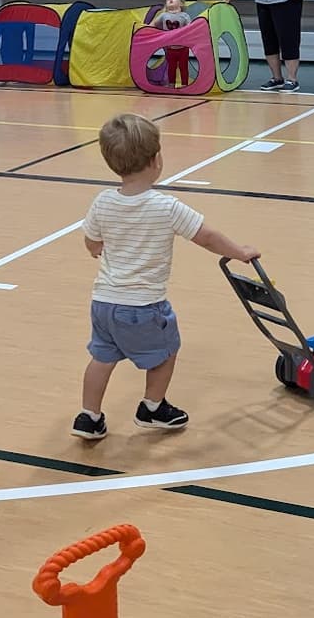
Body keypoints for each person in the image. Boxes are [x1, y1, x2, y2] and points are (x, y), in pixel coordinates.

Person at [73, 113, 258, 441]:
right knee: (166, 349)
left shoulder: (103, 202)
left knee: (101, 357)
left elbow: (91, 240)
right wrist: (240, 252)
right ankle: (153, 407)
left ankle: (89, 417)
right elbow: (207, 236)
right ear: (156, 160)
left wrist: (96, 247)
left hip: (103, 302)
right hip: (143, 305)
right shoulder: (166, 207)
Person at [156, 0, 193, 88]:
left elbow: (191, 28)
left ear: (180, 3)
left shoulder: (185, 16)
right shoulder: (163, 15)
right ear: (166, 5)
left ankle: (185, 85)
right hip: (170, 48)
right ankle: (171, 84)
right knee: (171, 67)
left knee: (183, 67)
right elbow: (153, 25)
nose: (170, 0)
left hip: (183, 48)